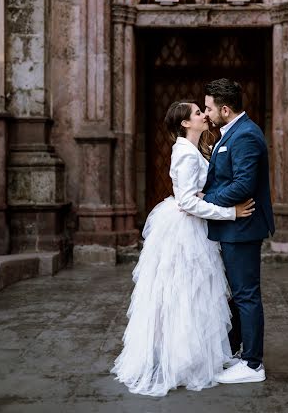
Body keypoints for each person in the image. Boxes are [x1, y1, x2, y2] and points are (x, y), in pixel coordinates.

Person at [111, 100, 255, 397]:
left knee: (194, 294)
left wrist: (207, 194)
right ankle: (183, 358)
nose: (204, 115)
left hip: (191, 226)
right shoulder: (185, 154)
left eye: (204, 111)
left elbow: (193, 192)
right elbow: (187, 202)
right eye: (198, 113)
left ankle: (195, 353)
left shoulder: (192, 149)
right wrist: (231, 213)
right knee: (187, 293)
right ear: (186, 123)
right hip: (185, 231)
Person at [201, 78, 275, 384]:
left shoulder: (245, 135)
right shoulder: (230, 132)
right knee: (239, 294)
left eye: (209, 108)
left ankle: (253, 364)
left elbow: (243, 184)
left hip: (242, 228)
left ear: (226, 109)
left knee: (246, 295)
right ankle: (238, 353)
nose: (206, 114)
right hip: (233, 227)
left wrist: (205, 200)